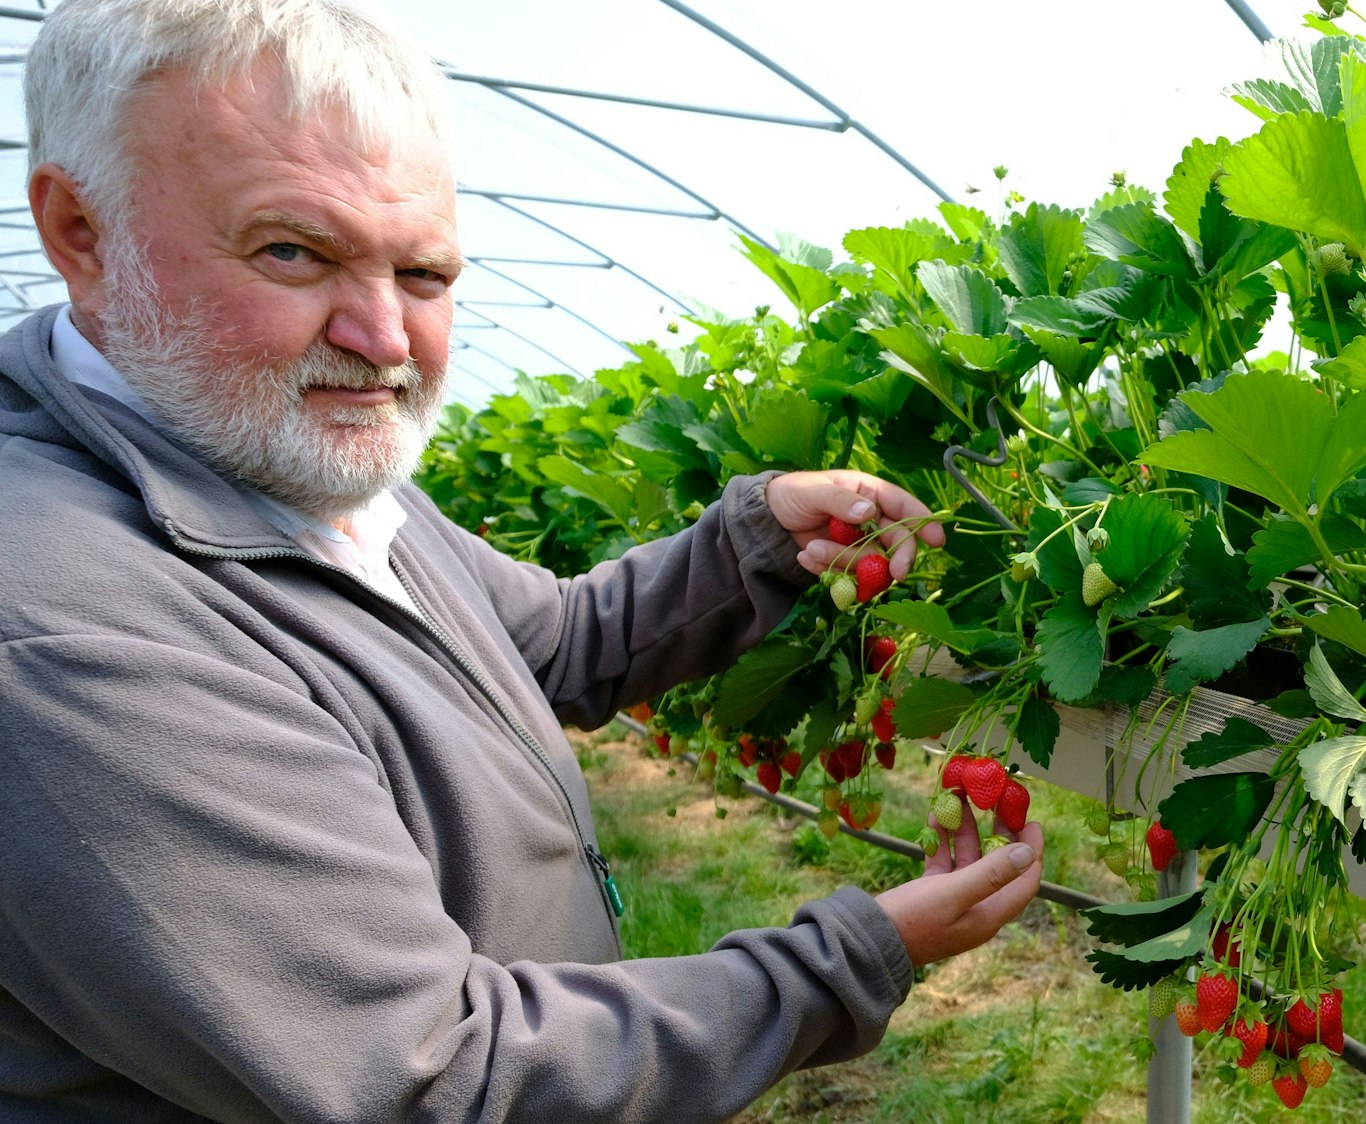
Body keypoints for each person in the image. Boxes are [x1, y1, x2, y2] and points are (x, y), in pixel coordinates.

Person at [0, 0, 1046, 1119]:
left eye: (425, 275)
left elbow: (545, 640)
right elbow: (436, 1076)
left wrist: (753, 542)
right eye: (294, 251)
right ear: (81, 230)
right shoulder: (65, 627)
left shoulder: (279, 462)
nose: (385, 339)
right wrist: (853, 956)